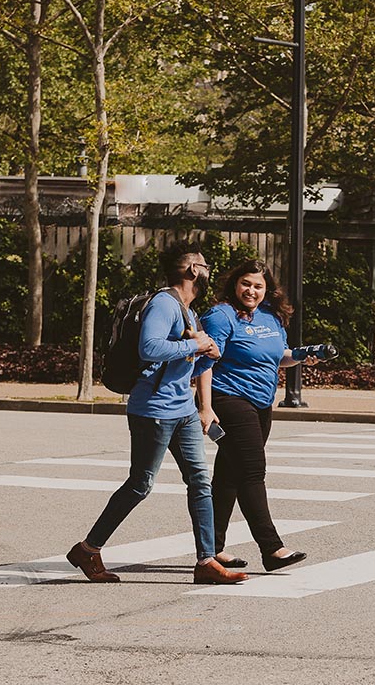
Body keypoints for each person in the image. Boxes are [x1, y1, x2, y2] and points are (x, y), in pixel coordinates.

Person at [66, 240, 248, 585]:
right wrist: (196, 344)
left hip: (182, 410)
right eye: (205, 265)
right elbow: (149, 348)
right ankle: (88, 549)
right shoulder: (164, 304)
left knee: (199, 482)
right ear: (193, 270)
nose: (208, 271)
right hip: (153, 411)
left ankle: (206, 561)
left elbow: (180, 365)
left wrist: (205, 355)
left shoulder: (188, 310)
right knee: (140, 484)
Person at [198, 259, 329, 571]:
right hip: (229, 398)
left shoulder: (271, 317)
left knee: (229, 476)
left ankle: (211, 548)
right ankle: (272, 548)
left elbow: (278, 356)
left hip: (261, 403)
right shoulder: (221, 315)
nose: (251, 290)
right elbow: (206, 361)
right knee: (252, 472)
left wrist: (301, 356)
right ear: (234, 284)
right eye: (246, 283)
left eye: (258, 286)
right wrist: (205, 407)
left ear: (267, 289)